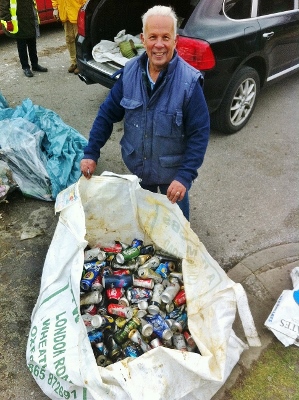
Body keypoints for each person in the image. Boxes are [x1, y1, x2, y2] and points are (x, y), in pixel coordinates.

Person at [80, 5, 210, 221]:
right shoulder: (129, 73)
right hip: (139, 171)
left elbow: (200, 133)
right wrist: (91, 152)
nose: (159, 45)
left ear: (175, 40)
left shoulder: (189, 82)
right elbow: (106, 114)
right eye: (153, 37)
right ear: (143, 39)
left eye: (166, 37)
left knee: (176, 232)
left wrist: (184, 177)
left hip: (172, 179)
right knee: (145, 226)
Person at [0, 0, 48, 77]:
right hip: (19, 22)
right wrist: (7, 20)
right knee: (22, 46)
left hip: (29, 18)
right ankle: (25, 67)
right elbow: (3, 6)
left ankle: (35, 65)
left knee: (32, 43)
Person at [51, 0, 86, 74]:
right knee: (69, 39)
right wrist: (55, 8)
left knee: (79, 40)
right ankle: (74, 62)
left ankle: (81, 64)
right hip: (65, 14)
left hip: (77, 13)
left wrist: (84, 8)